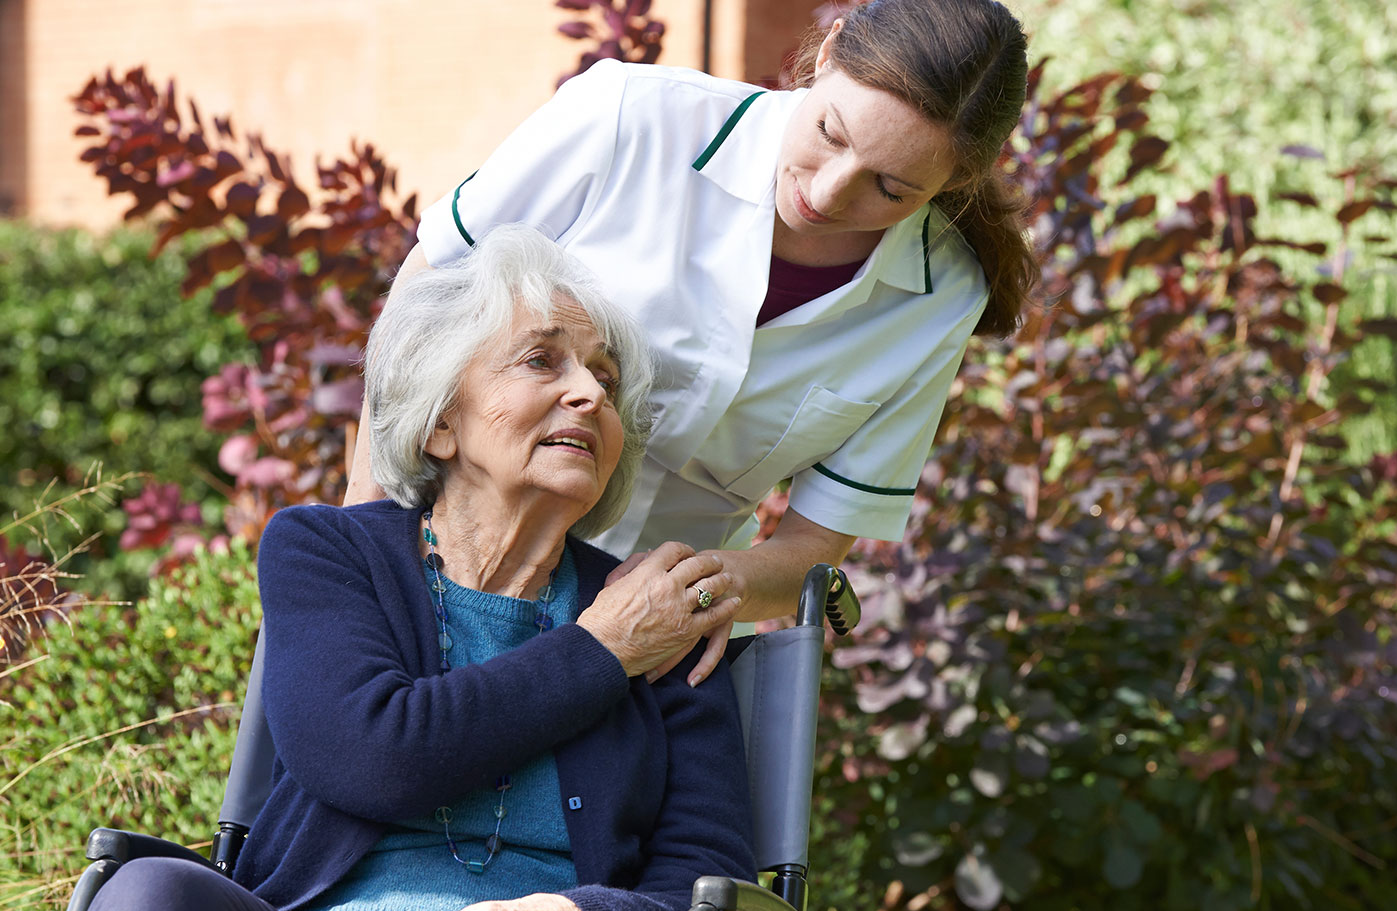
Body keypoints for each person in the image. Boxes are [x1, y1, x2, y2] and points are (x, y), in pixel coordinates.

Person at [37, 226, 755, 911]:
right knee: (152, 900)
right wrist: (600, 649)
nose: (590, 397)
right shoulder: (329, 554)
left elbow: (706, 889)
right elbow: (369, 756)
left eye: (603, 379)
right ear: (442, 423)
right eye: (542, 362)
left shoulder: (662, 620)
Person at [345, 0, 1035, 683]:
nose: (828, 193)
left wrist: (709, 587)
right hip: (443, 576)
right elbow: (420, 313)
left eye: (891, 188)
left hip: (664, 654)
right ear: (826, 54)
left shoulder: (942, 296)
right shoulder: (629, 116)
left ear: (958, 181)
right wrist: (365, 551)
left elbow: (812, 549)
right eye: (830, 132)